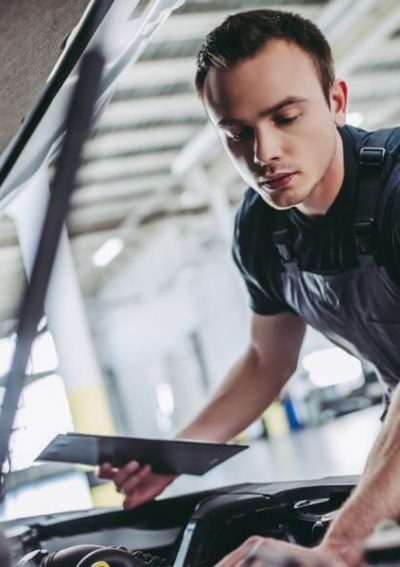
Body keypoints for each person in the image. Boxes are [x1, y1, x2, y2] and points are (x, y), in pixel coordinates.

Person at [99, 9, 400, 566]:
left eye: (285, 116)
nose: (263, 155)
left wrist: (342, 544)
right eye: (237, 135)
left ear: (336, 101)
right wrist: (178, 454)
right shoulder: (262, 227)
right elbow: (267, 359)